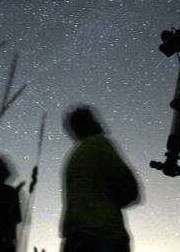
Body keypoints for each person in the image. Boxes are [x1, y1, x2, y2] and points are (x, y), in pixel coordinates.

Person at [61, 104, 140, 252]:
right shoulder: (100, 144)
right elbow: (131, 190)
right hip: (104, 235)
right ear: (90, 123)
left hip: (74, 239)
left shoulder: (73, 157)